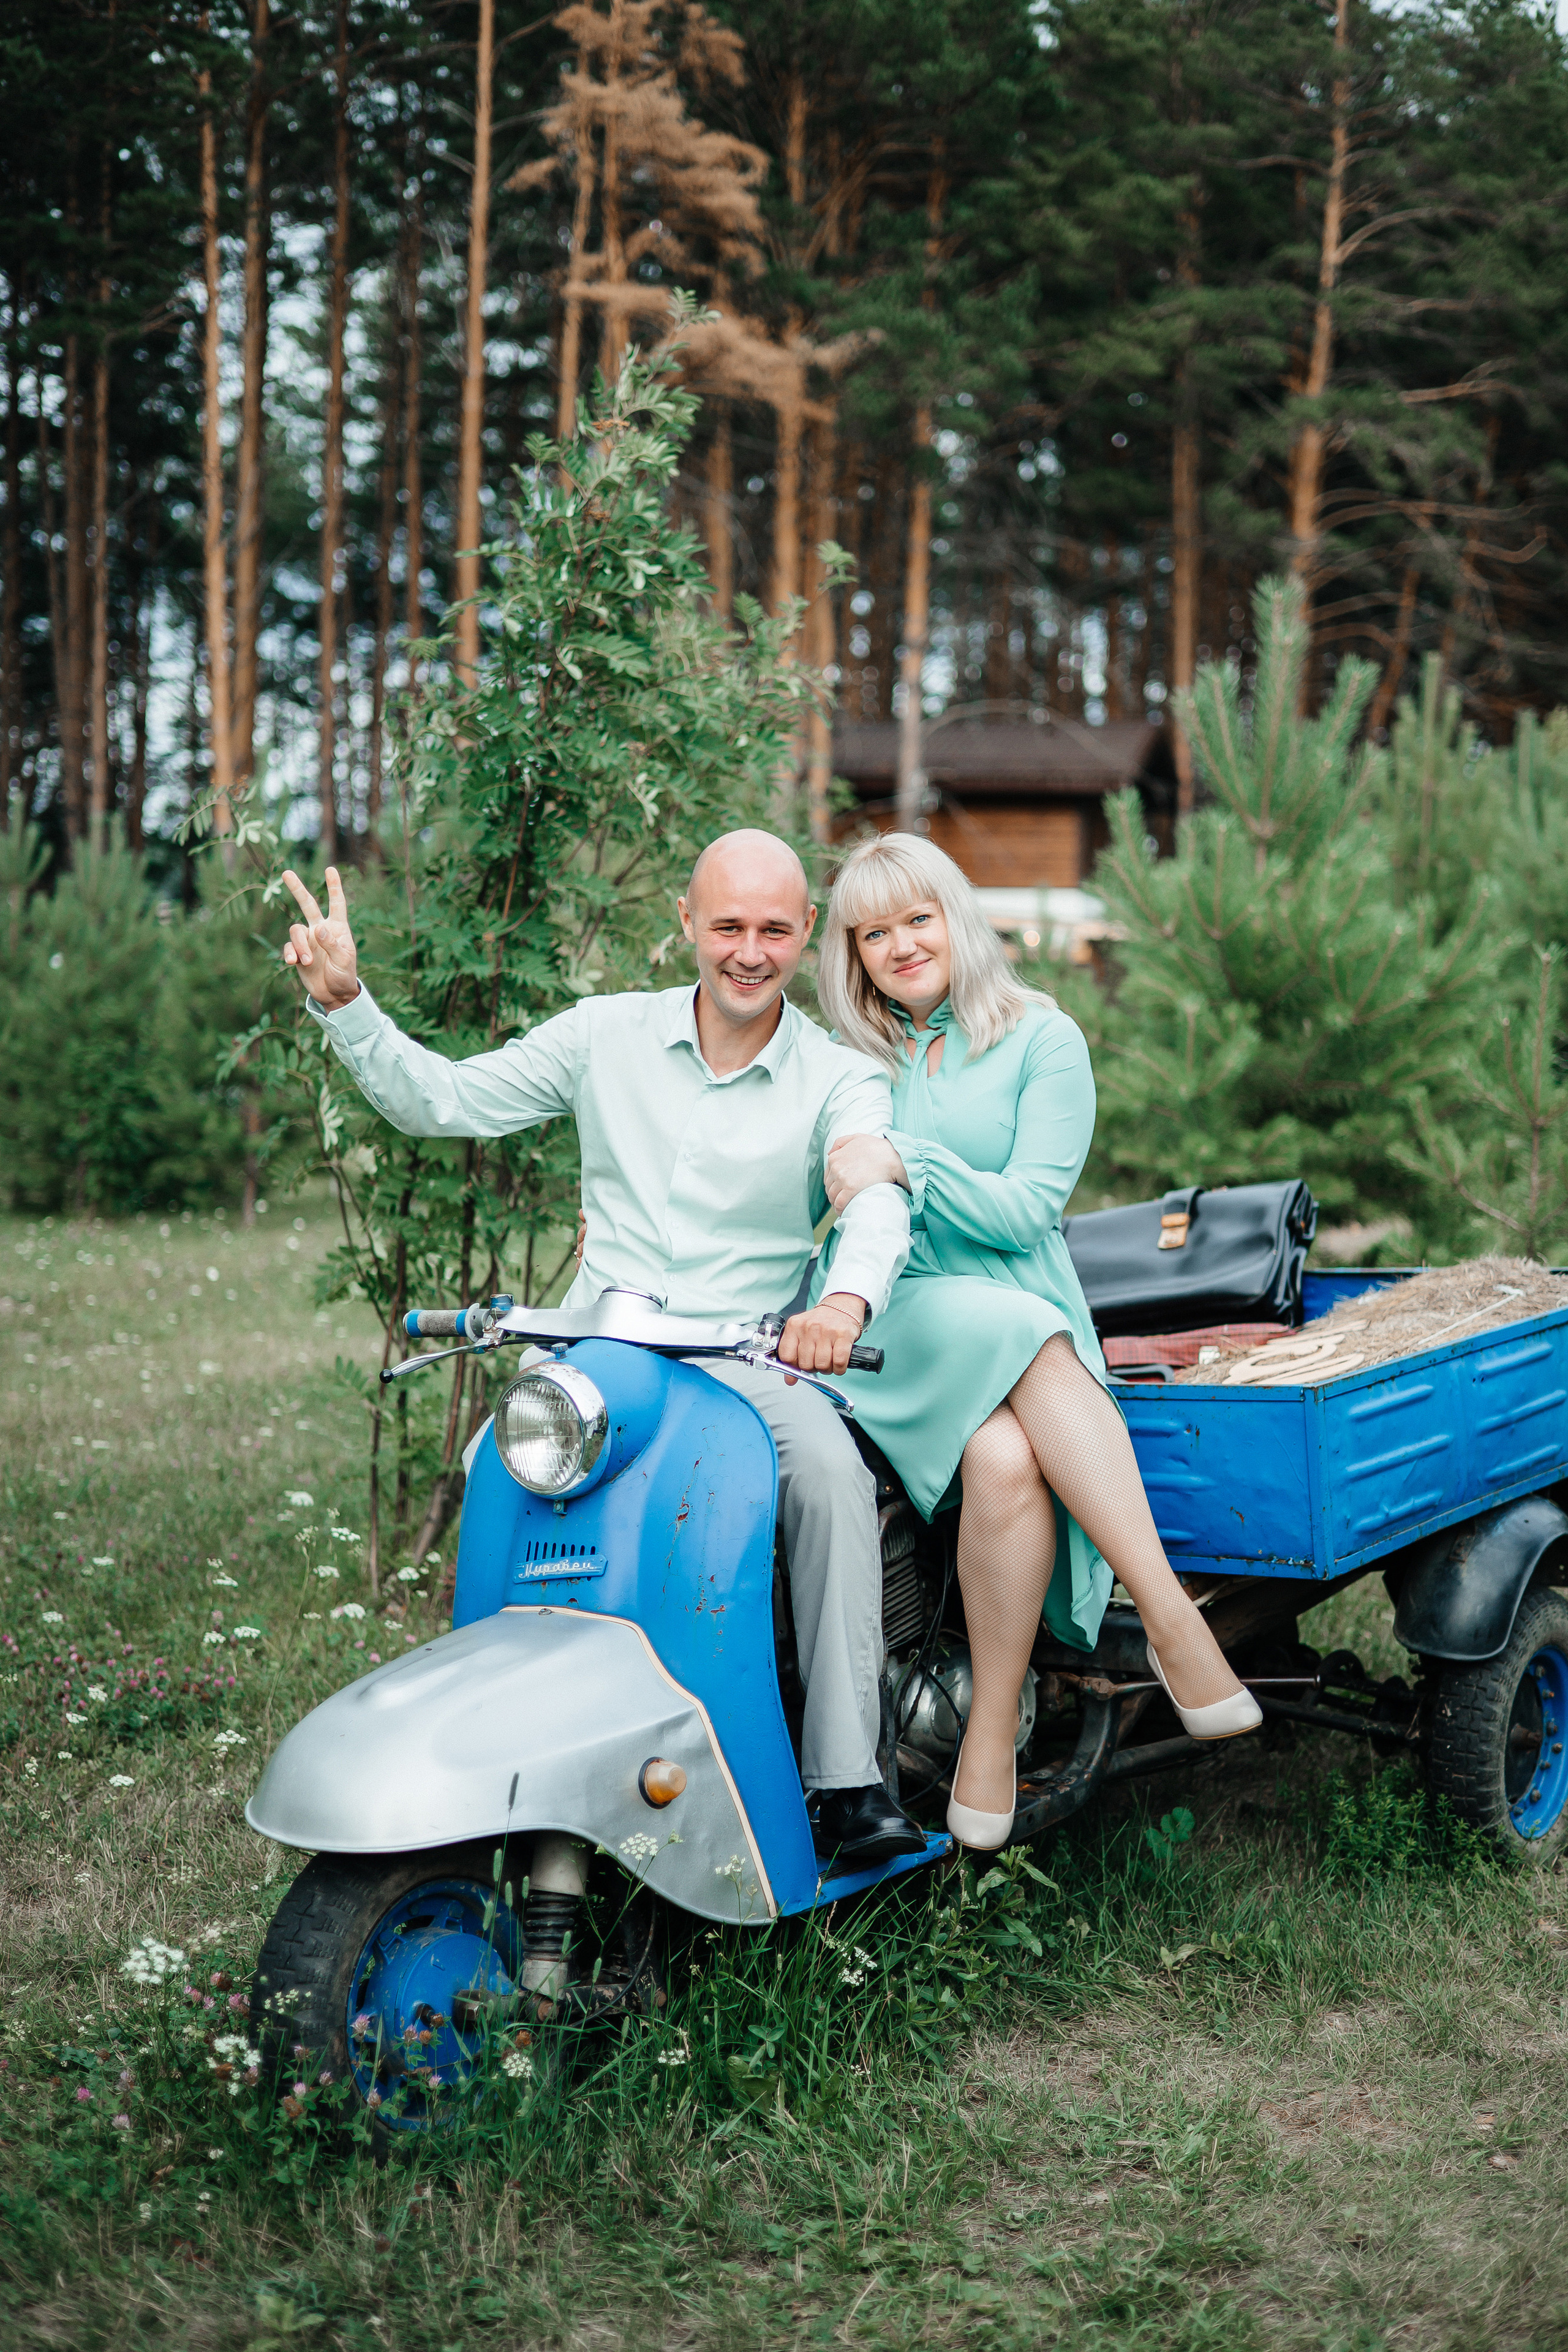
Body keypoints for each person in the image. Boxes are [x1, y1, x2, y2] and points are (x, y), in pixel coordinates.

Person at [278, 830, 927, 1870]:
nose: (749, 952)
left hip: (744, 1360)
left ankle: (847, 1782)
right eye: (727, 926)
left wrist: (844, 1304)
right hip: (597, 1354)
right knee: (497, 1463)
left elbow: (876, 1196)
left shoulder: (840, 1077)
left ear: (808, 932)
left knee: (829, 1477)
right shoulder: (602, 1034)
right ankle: (496, 1741)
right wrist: (348, 1003)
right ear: (686, 922)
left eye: (773, 929)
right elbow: (446, 1100)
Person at [815, 832, 1261, 1853]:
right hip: (902, 1318)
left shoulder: (1042, 1038)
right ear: (852, 955)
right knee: (1022, 1335)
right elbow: (830, 1195)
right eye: (874, 933)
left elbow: (1025, 1213)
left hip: (1019, 1307)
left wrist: (907, 1161)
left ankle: (988, 1733)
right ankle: (1171, 1619)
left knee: (1008, 1455)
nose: (900, 945)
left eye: (918, 918)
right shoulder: (844, 1062)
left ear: (957, 917)